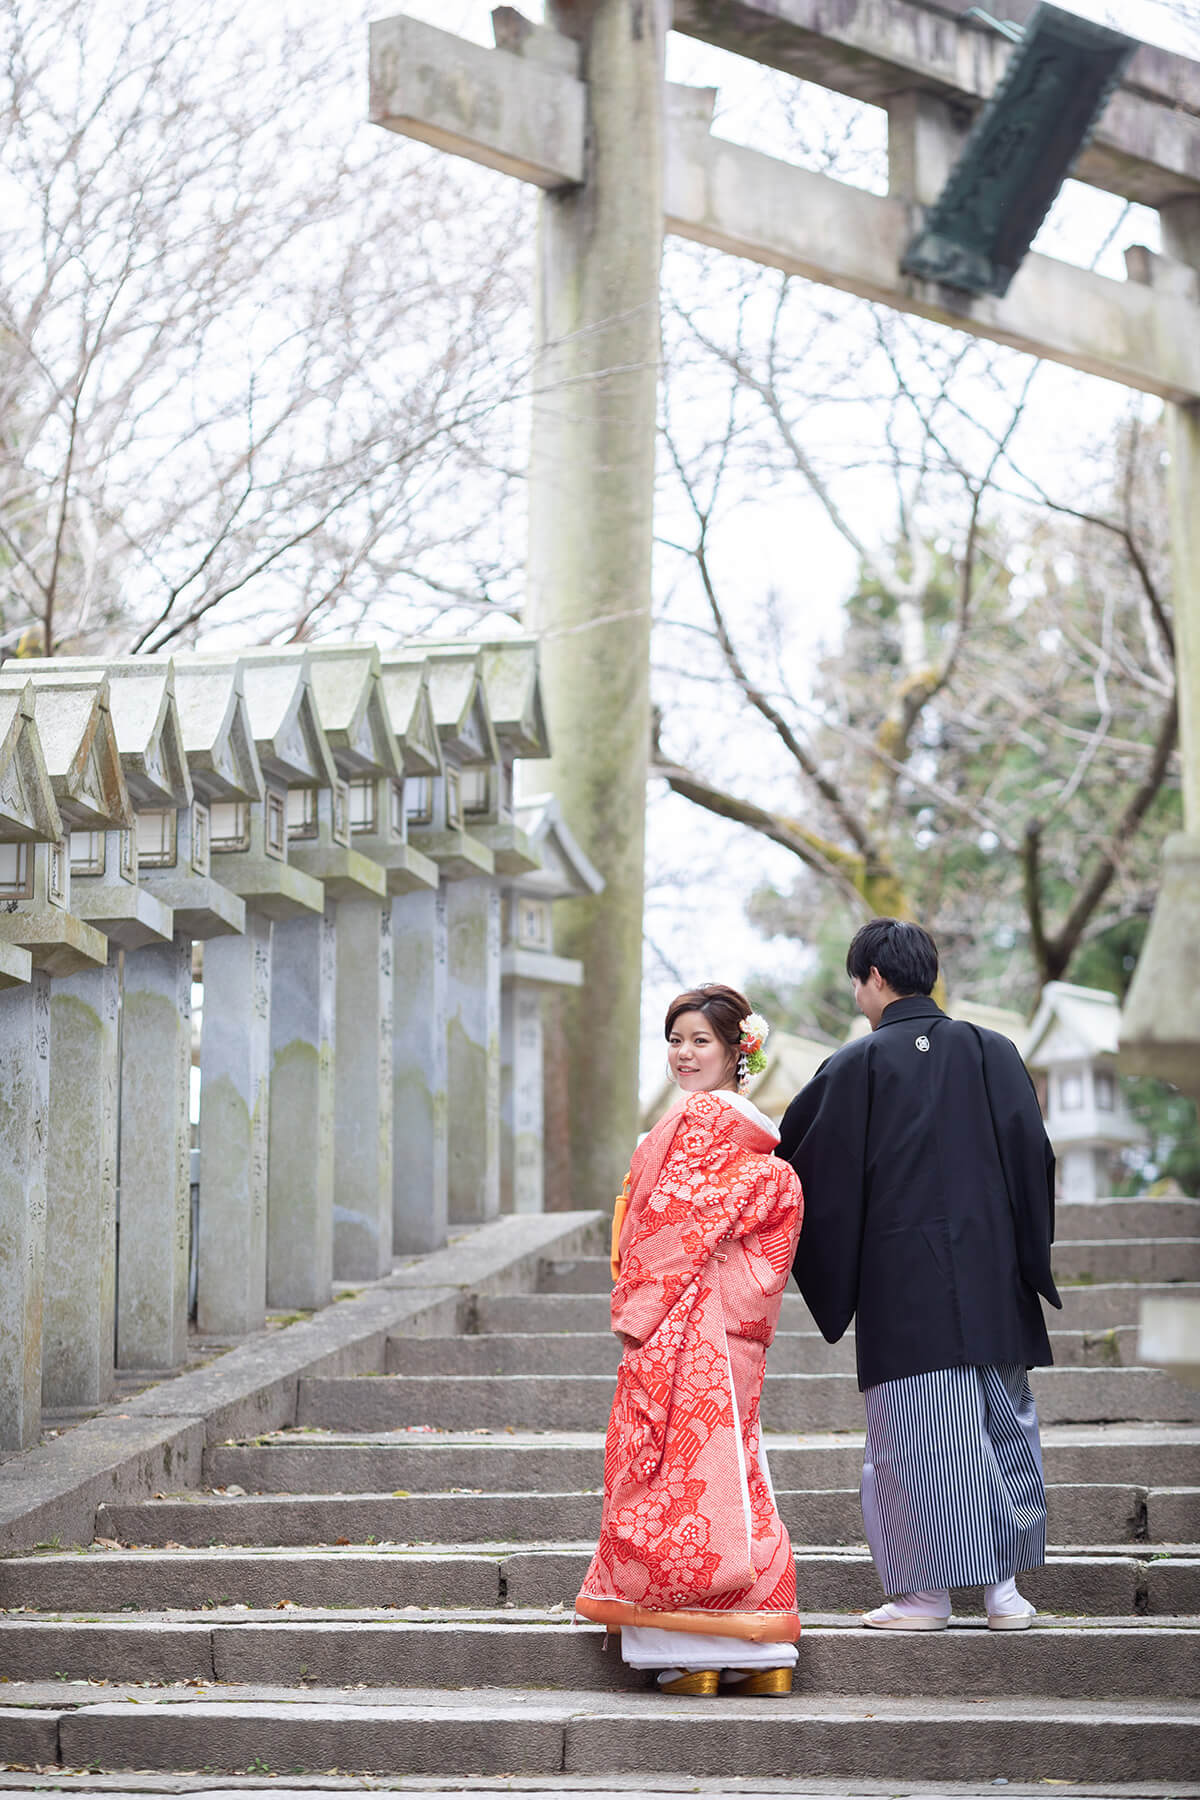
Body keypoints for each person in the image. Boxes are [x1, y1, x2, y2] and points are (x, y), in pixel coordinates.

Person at [776, 919, 1060, 1633]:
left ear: (873, 978)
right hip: (994, 1283)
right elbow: (1034, 1158)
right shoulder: (994, 1053)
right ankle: (1004, 1594)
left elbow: (805, 1171)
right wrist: (1028, 1256)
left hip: (904, 1290)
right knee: (1003, 1428)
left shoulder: (855, 1066)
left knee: (913, 1441)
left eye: (857, 982)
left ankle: (924, 1598)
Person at [576, 984, 804, 1695]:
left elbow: (669, 1230)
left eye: (700, 1040)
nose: (683, 1053)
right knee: (730, 1470)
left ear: (740, 1050)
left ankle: (680, 1646)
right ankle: (756, 1650)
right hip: (728, 1322)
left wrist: (638, 1306)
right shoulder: (755, 1131)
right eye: (675, 1039)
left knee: (670, 1477)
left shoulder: (698, 1120)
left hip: (680, 1320)